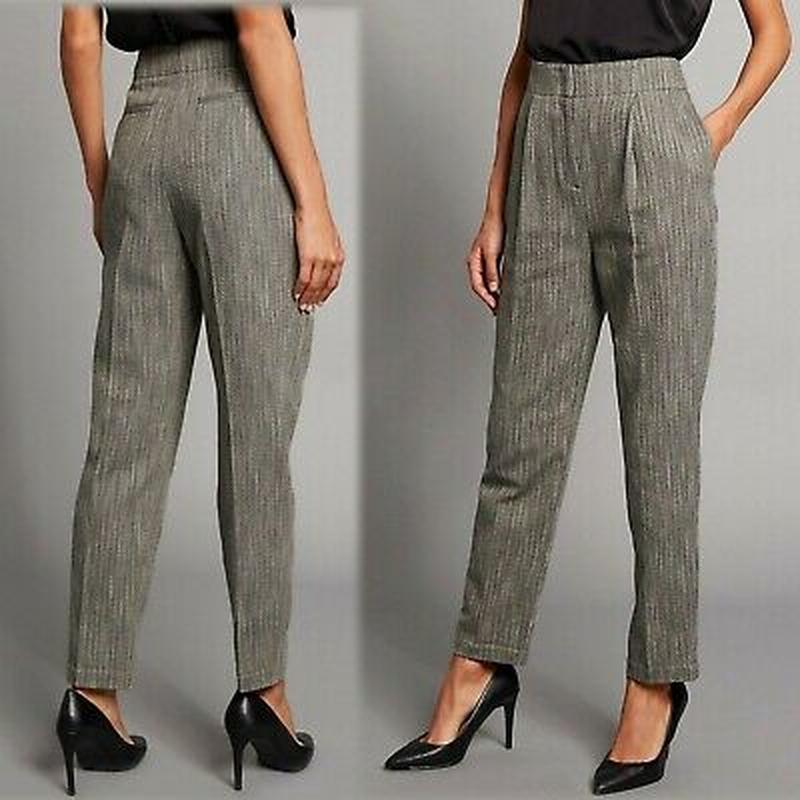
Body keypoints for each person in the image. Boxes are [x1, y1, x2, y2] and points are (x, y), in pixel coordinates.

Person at [384, 0, 791, 794]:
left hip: (652, 132)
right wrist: (495, 206)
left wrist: (717, 128)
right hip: (546, 135)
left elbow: (774, 34)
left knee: (660, 445)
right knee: (520, 441)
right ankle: (479, 661)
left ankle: (656, 680)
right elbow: (522, 57)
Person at [55, 4, 345, 795]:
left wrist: (101, 177)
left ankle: (92, 697)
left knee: (123, 436)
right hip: (236, 120)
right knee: (256, 433)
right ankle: (264, 694)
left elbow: (79, 32)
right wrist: (313, 203)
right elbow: (257, 25)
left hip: (142, 128)